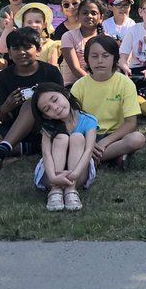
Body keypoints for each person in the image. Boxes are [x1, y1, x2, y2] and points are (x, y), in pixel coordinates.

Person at [0, 27, 64, 182]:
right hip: (13, 127)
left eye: (27, 47)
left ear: (37, 50)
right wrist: (6, 107)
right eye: (16, 48)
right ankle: (30, 148)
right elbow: (4, 118)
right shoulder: (4, 76)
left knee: (32, 103)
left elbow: (62, 108)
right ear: (9, 53)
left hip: (44, 127)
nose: (21, 52)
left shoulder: (50, 72)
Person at [71, 35, 146, 169]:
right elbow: (72, 119)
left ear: (115, 59)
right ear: (87, 59)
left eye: (106, 56)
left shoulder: (125, 83)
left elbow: (130, 123)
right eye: (94, 56)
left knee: (137, 139)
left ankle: (88, 159)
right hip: (86, 136)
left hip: (115, 136)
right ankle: (111, 156)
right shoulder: (79, 85)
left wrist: (105, 142)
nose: (100, 61)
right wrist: (89, 141)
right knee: (65, 140)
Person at [31, 83, 97, 212]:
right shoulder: (48, 127)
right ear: (46, 116)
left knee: (77, 137)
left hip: (78, 172)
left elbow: (89, 150)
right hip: (52, 173)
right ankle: (55, 191)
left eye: (55, 100)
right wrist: (53, 177)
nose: (55, 108)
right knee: (61, 138)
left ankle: (71, 190)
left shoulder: (89, 120)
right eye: (47, 109)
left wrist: (75, 173)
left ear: (66, 94)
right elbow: (46, 154)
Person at [0, 2, 61, 67]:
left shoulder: (51, 45)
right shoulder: (18, 41)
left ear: (45, 25)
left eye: (37, 22)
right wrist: (8, 28)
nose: (33, 25)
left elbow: (52, 69)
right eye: (29, 22)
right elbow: (1, 48)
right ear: (23, 24)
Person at [59, 0, 104, 85]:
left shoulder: (106, 39)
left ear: (101, 17)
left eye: (93, 13)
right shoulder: (69, 36)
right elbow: (75, 68)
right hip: (74, 86)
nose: (89, 16)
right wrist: (96, 84)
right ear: (78, 16)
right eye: (85, 13)